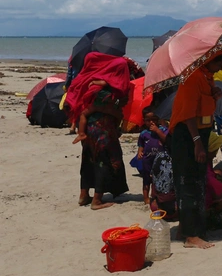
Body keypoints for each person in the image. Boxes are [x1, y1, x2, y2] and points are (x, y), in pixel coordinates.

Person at [169, 53, 222, 249]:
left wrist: (214, 95)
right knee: (189, 182)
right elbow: (188, 114)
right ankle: (191, 236)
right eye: (220, 63)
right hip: (187, 136)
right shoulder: (192, 78)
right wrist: (197, 143)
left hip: (199, 135)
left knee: (196, 180)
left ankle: (186, 227)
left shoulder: (206, 78)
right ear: (211, 60)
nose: (221, 68)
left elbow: (205, 110)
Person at [68, 53, 133, 210]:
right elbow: (112, 111)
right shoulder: (108, 93)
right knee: (105, 160)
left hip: (89, 129)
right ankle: (97, 200)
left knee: (88, 160)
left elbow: (86, 109)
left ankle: (84, 196)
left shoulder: (91, 85)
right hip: (102, 130)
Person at [137, 111, 168, 205]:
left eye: (154, 119)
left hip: (161, 160)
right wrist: (139, 152)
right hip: (148, 159)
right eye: (148, 120)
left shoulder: (163, 129)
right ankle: (146, 198)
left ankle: (156, 196)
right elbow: (141, 144)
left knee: (159, 178)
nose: (151, 122)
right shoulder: (143, 133)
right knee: (146, 179)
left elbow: (166, 140)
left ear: (158, 119)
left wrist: (157, 131)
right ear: (144, 121)